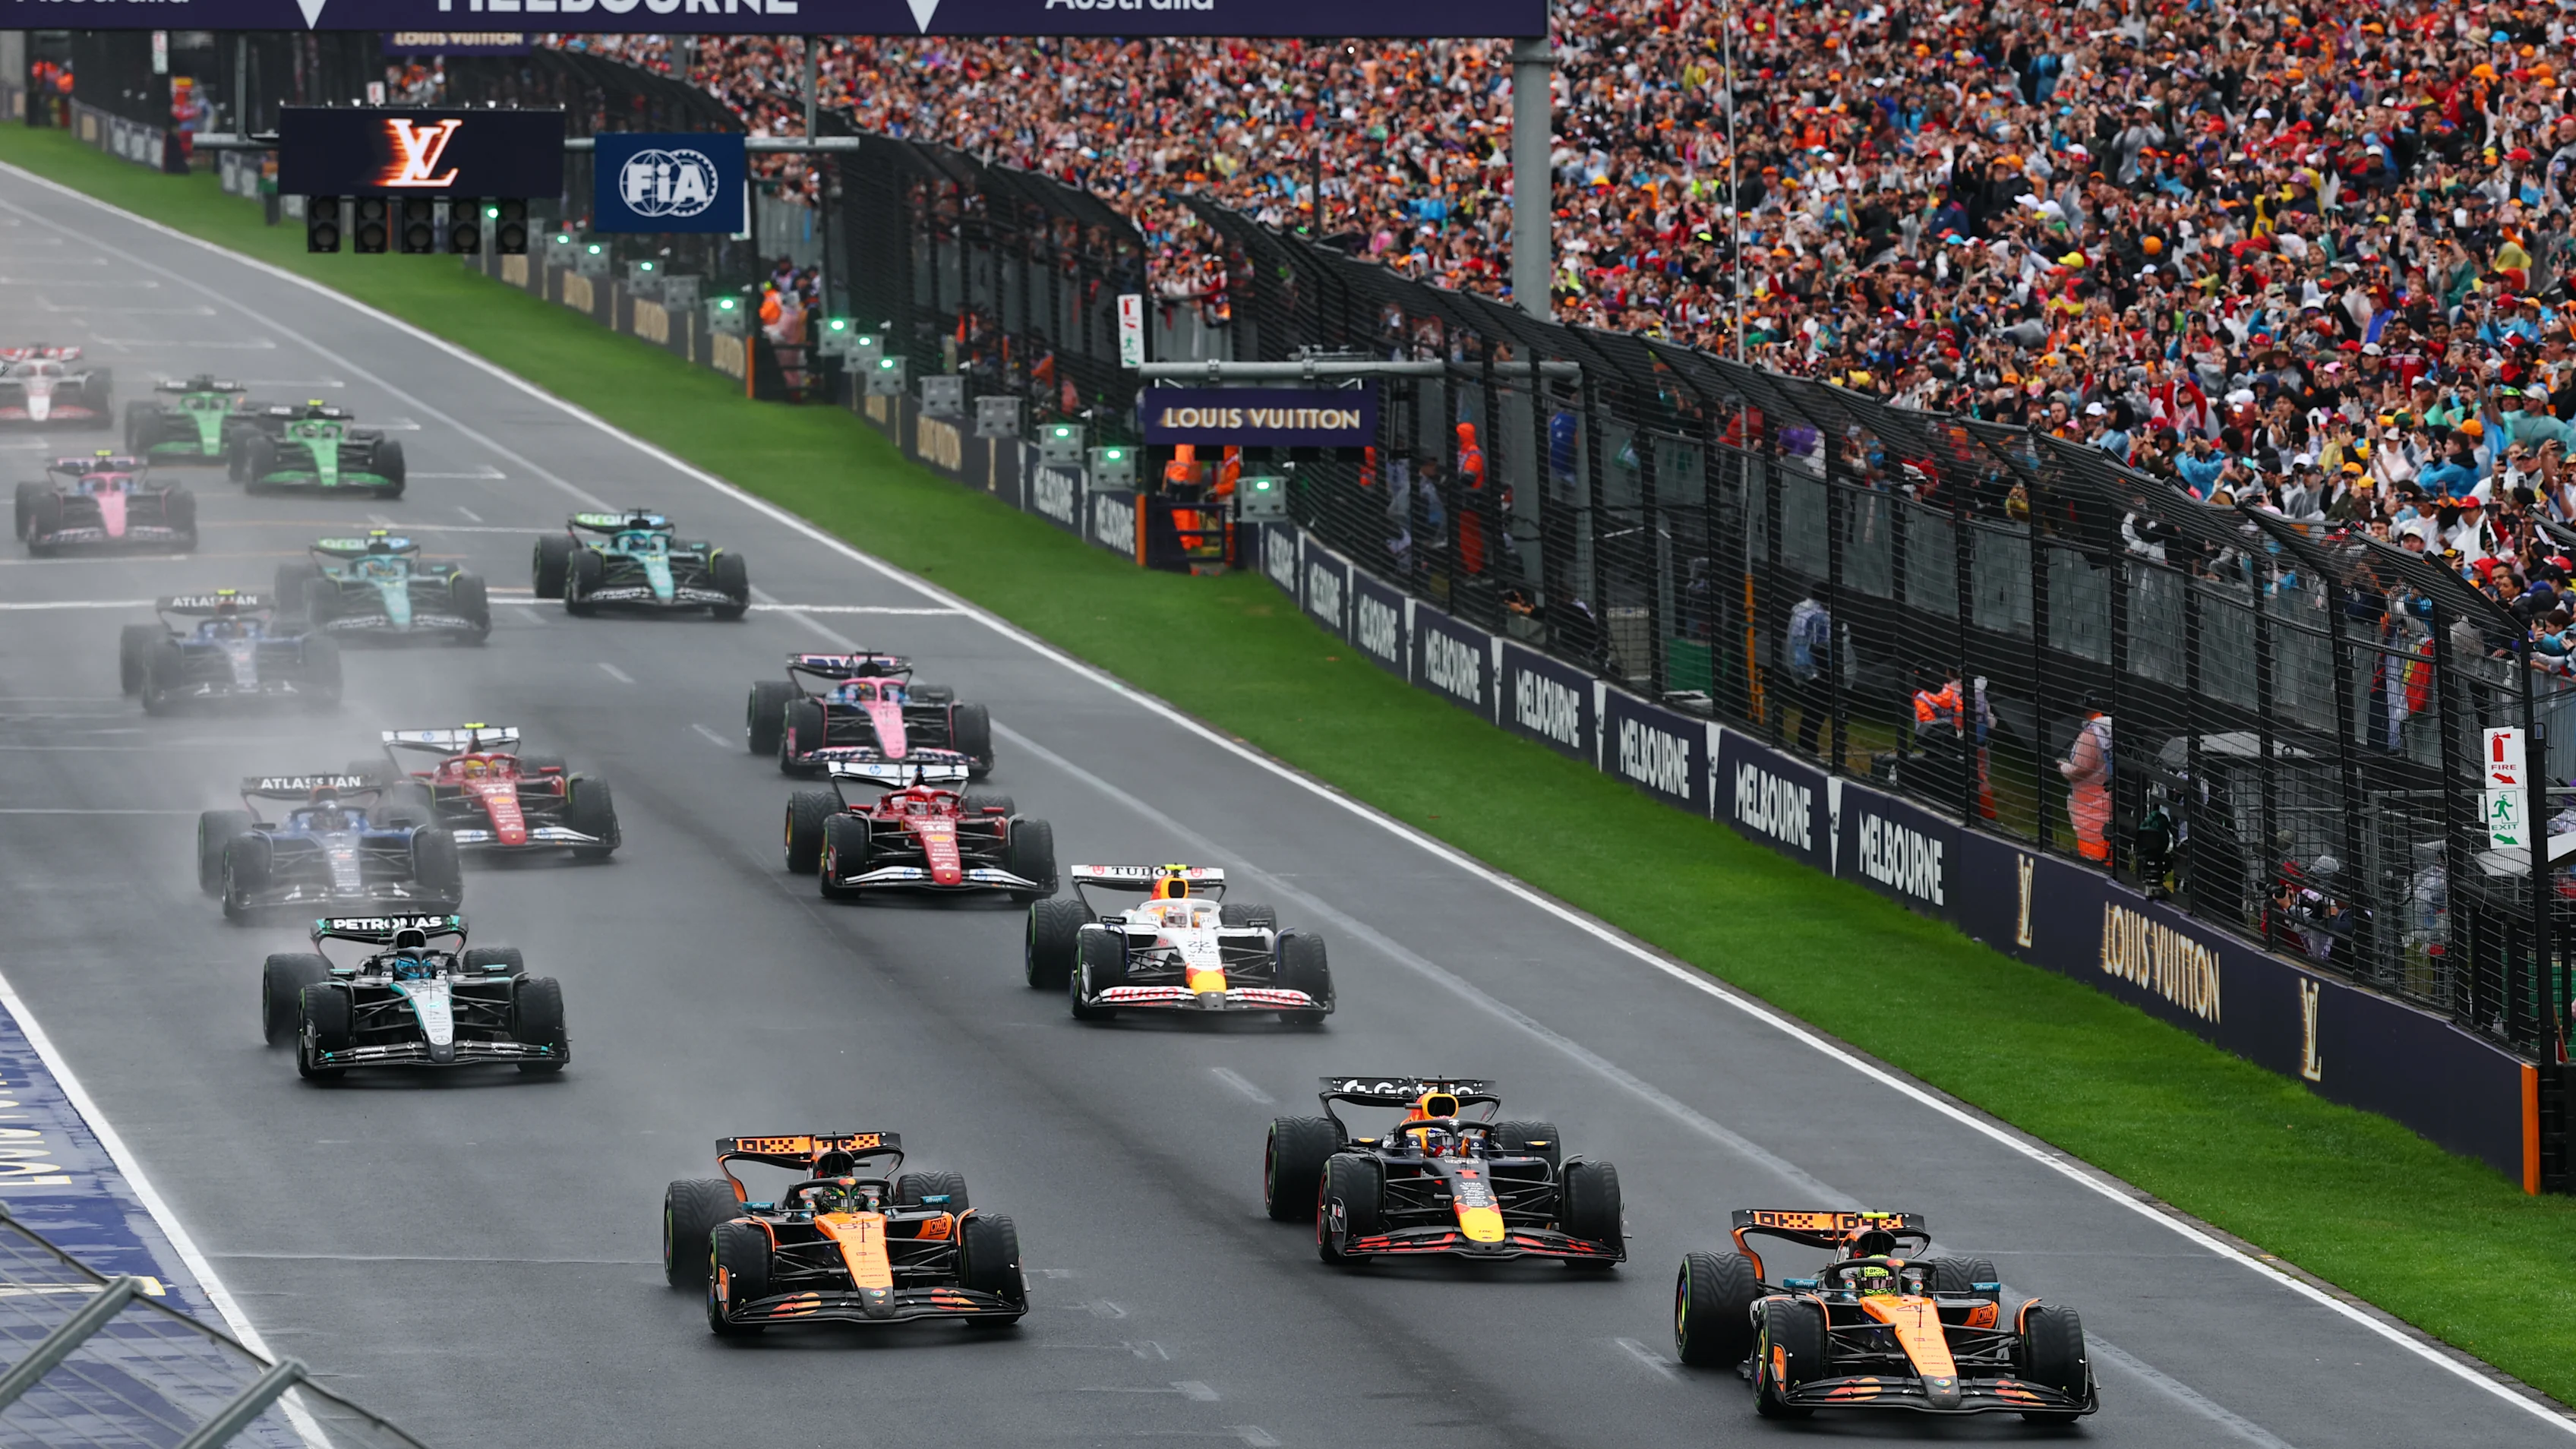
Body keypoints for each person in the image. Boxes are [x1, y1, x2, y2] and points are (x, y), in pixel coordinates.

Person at [2060, 696, 2114, 865]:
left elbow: (2081, 768)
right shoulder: (2111, 728)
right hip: (2109, 795)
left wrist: (2063, 767)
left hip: (2090, 801)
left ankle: (2093, 865)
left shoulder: (2090, 734)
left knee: (2093, 842)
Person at [1784, 583, 1833, 755]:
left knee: (1814, 710)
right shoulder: (1812, 615)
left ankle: (1808, 745)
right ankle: (1808, 747)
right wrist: (1810, 673)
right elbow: (1801, 643)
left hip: (1813, 664)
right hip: (1814, 665)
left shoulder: (1805, 611)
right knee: (1815, 710)